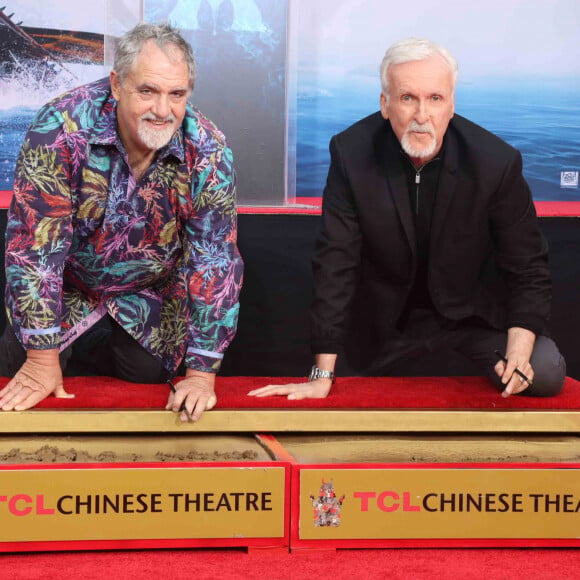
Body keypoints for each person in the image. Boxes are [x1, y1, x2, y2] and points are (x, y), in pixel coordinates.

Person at [249, 37, 566, 401]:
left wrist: (519, 351)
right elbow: (336, 263)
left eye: (435, 99)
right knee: (330, 385)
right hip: (382, 323)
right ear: (385, 104)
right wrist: (322, 374)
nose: (421, 115)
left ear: (451, 104)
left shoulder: (496, 162)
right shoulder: (351, 153)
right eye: (407, 98)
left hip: (470, 319)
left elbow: (528, 267)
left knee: (543, 371)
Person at [0, 22, 243, 420]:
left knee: (148, 384)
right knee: (18, 375)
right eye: (147, 91)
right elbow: (35, 246)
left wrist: (201, 374)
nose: (163, 110)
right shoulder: (59, 127)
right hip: (66, 286)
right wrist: (43, 358)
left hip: (149, 293)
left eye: (176, 94)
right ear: (117, 84)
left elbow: (214, 260)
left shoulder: (208, 148)